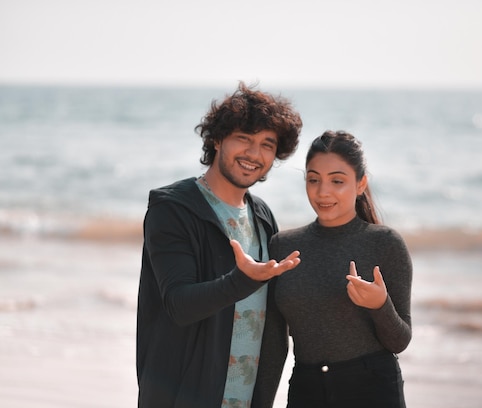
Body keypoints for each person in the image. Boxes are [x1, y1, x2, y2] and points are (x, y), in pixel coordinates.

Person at [136, 82, 303, 408]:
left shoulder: (262, 216)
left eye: (267, 144)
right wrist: (242, 281)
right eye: (244, 139)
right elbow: (179, 304)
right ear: (216, 139)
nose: (255, 154)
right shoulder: (172, 209)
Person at [253, 130, 413, 408]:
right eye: (313, 179)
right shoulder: (282, 246)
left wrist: (380, 305)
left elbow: (400, 340)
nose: (322, 192)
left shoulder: (385, 244)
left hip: (372, 390)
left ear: (360, 183)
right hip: (306, 389)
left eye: (337, 181)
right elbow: (274, 341)